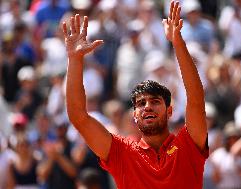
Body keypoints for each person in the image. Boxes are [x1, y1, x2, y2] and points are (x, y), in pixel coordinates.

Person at [63, 1, 208, 188]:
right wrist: (75, 60)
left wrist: (177, 43)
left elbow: (196, 101)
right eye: (141, 104)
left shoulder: (188, 145)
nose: (147, 106)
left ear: (170, 111)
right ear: (134, 115)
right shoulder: (122, 152)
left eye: (155, 101)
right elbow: (78, 117)